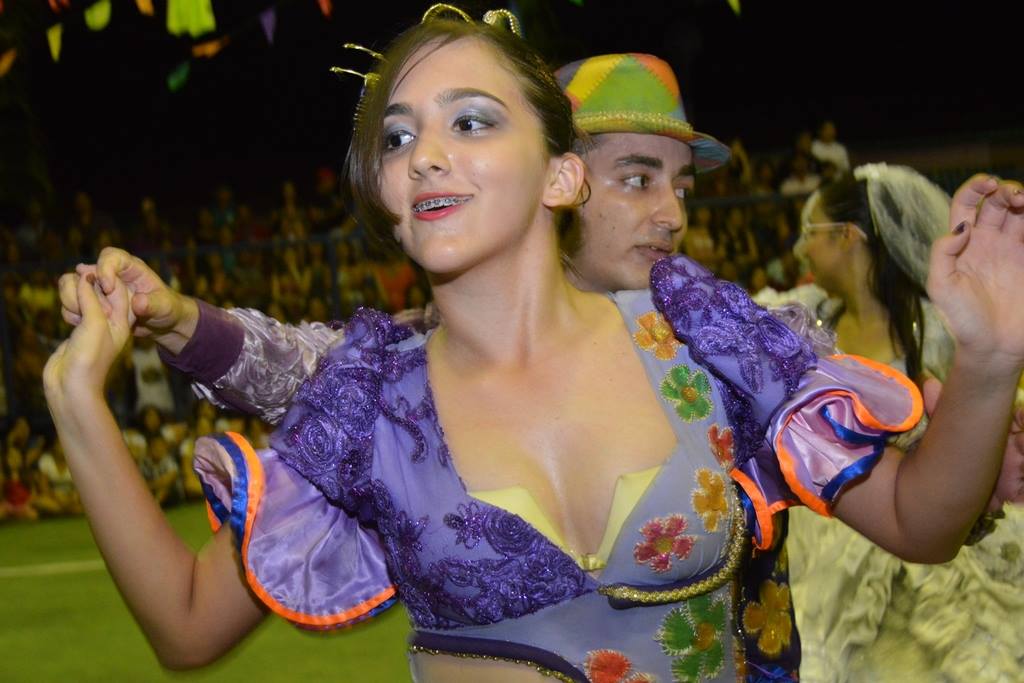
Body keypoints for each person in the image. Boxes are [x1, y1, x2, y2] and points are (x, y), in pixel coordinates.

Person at [48, 7, 1024, 682]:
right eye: (397, 139)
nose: (424, 155)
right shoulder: (368, 401)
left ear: (561, 176)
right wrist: (78, 403)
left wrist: (986, 357)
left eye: (470, 122)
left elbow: (919, 520)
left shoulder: (708, 342)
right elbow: (186, 623)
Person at [758, 164, 1024, 682]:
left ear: (847, 237)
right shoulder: (804, 323)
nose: (801, 249)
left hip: (922, 546)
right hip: (828, 535)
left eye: (811, 232)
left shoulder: (940, 327)